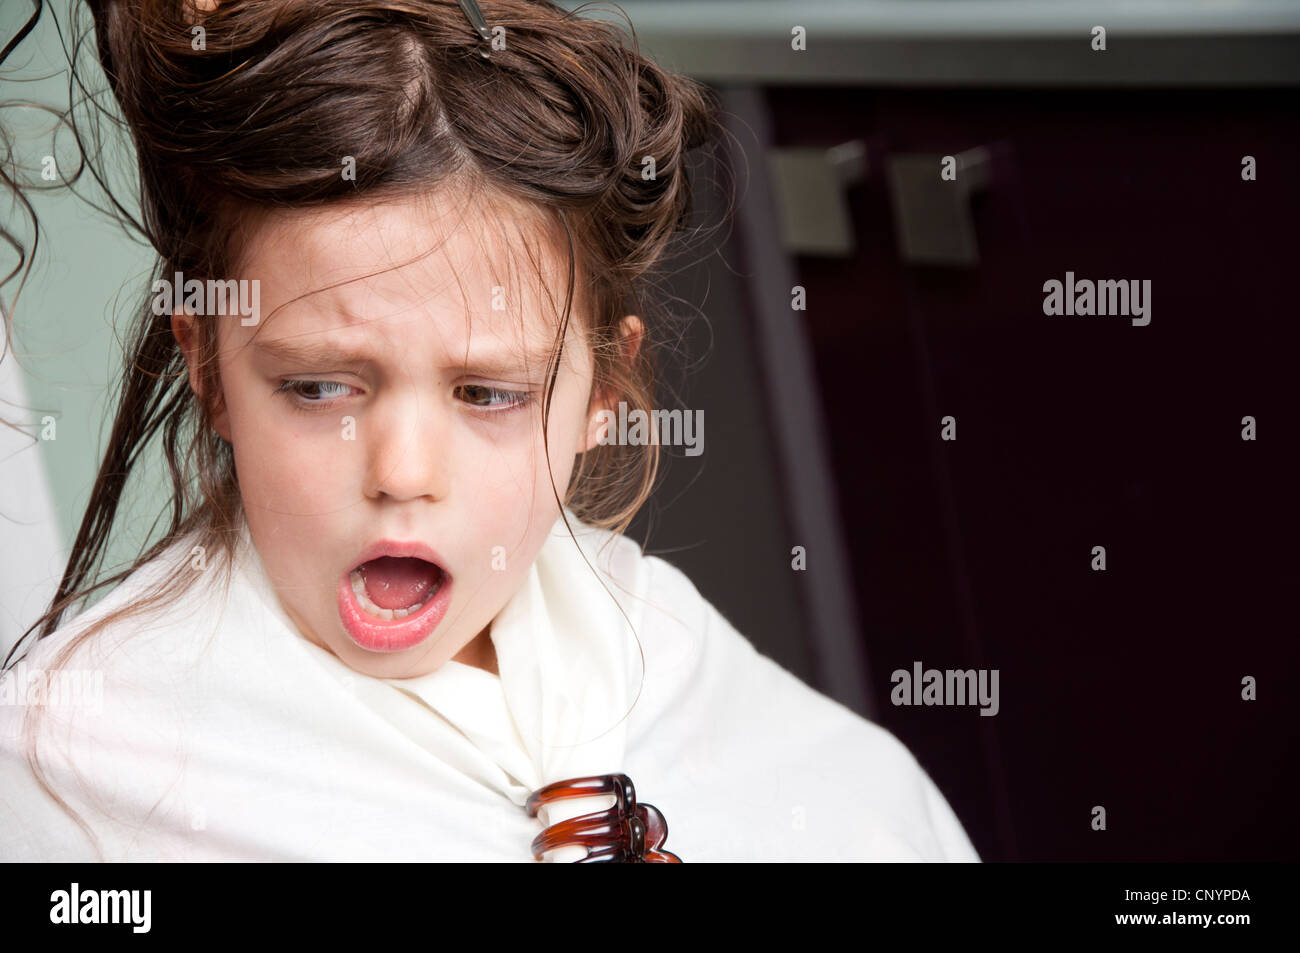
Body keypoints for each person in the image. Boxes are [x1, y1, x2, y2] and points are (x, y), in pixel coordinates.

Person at [0, 0, 979, 862]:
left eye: (487, 394)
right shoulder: (86, 759)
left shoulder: (668, 654)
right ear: (210, 367)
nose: (403, 471)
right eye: (318, 386)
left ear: (605, 385)